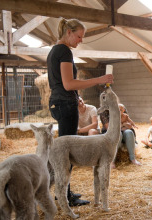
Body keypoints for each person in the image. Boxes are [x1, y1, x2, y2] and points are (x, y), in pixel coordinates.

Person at [47, 18, 113, 206]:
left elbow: (62, 84)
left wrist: (76, 97)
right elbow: (69, 84)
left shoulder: (55, 50)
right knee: (66, 153)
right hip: (65, 105)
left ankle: (65, 192)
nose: (80, 40)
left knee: (65, 151)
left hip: (61, 102)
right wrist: (99, 79)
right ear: (68, 32)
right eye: (79, 36)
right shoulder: (64, 51)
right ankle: (63, 195)